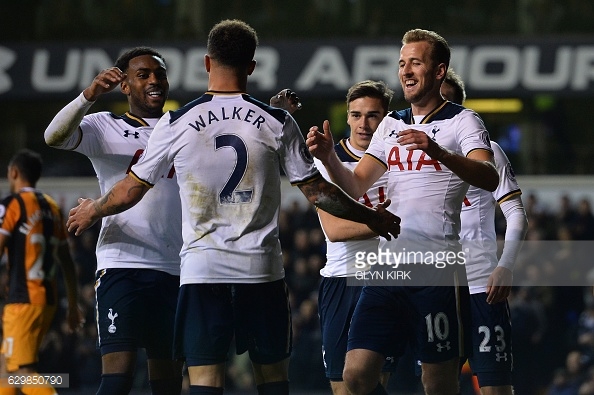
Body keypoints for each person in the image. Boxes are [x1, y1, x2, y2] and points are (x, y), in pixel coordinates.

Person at [64, 19, 400, 395]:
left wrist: (94, 209)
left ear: (208, 63)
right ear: (252, 67)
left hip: (202, 271)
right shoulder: (277, 121)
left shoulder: (175, 122)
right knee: (272, 380)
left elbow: (130, 191)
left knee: (205, 381)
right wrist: (370, 215)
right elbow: (319, 192)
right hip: (260, 272)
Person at [306, 28, 499, 395]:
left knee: (437, 382)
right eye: (402, 63)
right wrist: (329, 156)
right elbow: (357, 185)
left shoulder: (464, 121)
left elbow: (489, 177)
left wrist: (439, 152)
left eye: (416, 62)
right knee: (356, 374)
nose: (406, 71)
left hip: (437, 271)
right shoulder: (391, 124)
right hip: (387, 270)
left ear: (439, 71)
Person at [43, 47, 184, 395]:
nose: (154, 80)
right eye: (144, 74)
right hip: (123, 265)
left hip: (178, 268)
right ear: (124, 85)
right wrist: (88, 95)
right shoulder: (105, 125)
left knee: (167, 383)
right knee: (117, 380)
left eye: (160, 74)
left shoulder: (182, 128)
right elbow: (54, 137)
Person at [441, 68, 528, 395]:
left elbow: (516, 215)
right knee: (436, 384)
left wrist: (505, 266)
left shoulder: (488, 150)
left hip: (481, 285)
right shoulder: (412, 155)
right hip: (436, 285)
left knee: (494, 387)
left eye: (447, 99)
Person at [313, 81, 397, 395]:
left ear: (386, 118)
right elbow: (334, 231)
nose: (364, 123)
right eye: (356, 115)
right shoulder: (326, 160)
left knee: (371, 381)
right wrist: (381, 223)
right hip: (339, 278)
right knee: (343, 389)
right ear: (347, 118)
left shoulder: (400, 159)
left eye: (373, 115)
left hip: (385, 278)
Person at [0, 149, 83, 395]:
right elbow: (67, 261)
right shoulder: (52, 207)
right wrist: (73, 304)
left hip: (23, 300)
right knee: (5, 369)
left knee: (20, 373)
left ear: (13, 173)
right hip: (47, 299)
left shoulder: (12, 205)